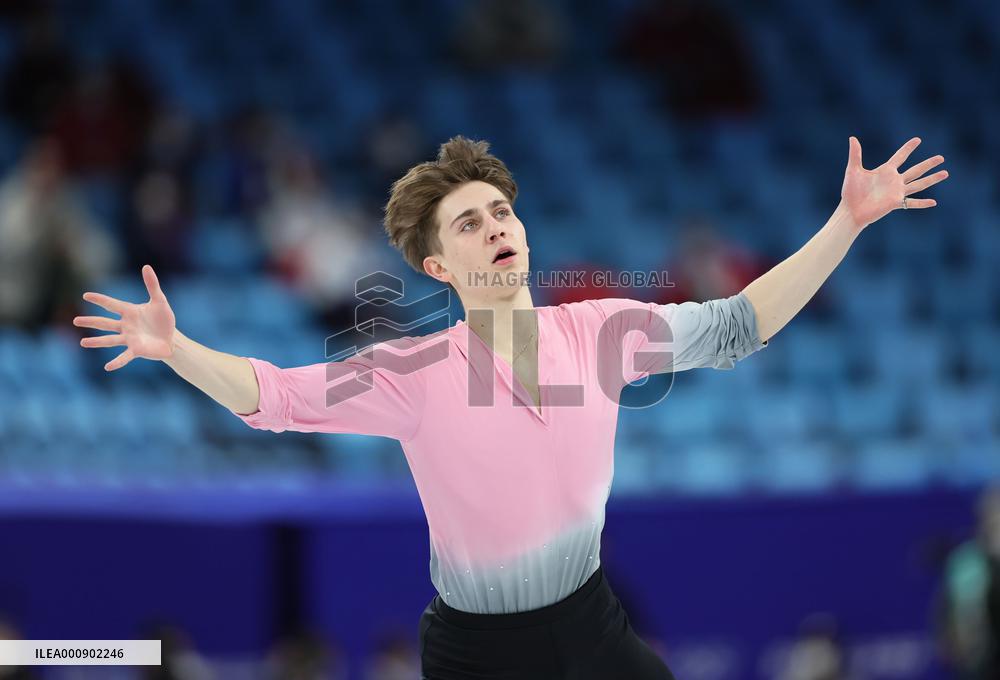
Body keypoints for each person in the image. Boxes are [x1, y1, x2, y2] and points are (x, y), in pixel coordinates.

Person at [74, 135, 947, 678]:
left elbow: (741, 323)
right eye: (468, 224)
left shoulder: (604, 332)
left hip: (594, 629)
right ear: (439, 268)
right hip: (477, 655)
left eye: (500, 211)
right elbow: (275, 399)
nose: (495, 225)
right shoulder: (410, 373)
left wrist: (847, 221)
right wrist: (176, 348)